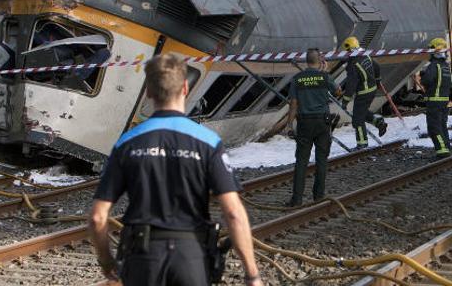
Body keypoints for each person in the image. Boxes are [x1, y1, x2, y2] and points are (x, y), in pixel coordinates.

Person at [88, 53, 264, 286]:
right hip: (191, 256)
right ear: (185, 88)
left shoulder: (127, 143)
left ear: (148, 91)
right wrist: (252, 274)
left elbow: (98, 217)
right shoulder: (208, 142)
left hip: (142, 258)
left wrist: (106, 261)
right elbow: (233, 213)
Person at [285, 48, 341, 207]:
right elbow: (338, 92)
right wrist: (326, 73)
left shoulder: (297, 79)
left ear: (306, 61)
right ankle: (319, 197)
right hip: (322, 123)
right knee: (321, 160)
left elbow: (294, 104)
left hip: (304, 123)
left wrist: (290, 124)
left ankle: (296, 200)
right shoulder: (324, 77)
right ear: (319, 61)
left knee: (301, 161)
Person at [341, 36, 387, 151]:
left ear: (349, 50)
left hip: (363, 92)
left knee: (357, 118)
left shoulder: (353, 64)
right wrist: (377, 80)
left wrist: (345, 100)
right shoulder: (365, 55)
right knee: (361, 112)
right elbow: (376, 66)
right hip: (371, 90)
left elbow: (351, 84)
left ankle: (362, 144)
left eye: (346, 51)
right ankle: (379, 122)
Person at [418, 38, 452, 158]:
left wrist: (423, 75)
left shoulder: (434, 66)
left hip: (434, 101)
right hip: (444, 101)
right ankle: (446, 147)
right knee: (442, 126)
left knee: (434, 128)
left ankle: (442, 151)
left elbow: (426, 80)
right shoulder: (446, 66)